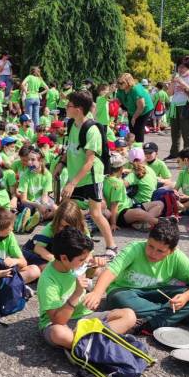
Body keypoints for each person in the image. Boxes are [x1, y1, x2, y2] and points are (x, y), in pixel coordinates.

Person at [84, 219, 189, 332]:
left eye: (160, 251)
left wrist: (185, 297)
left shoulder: (176, 257)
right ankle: (177, 316)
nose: (153, 253)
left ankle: (151, 323)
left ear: (171, 251)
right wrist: (97, 292)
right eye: (150, 246)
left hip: (157, 294)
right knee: (118, 299)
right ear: (147, 239)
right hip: (126, 291)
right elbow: (111, 271)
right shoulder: (135, 248)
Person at [37, 228, 136, 349]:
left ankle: (87, 344)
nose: (86, 261)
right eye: (81, 259)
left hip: (84, 318)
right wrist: (77, 293)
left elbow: (86, 274)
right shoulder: (48, 279)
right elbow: (58, 320)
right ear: (63, 258)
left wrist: (94, 267)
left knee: (129, 315)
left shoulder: (73, 265)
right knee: (59, 333)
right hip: (60, 323)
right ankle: (98, 342)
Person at [63, 91, 118, 258]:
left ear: (78, 109)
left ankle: (112, 246)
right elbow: (70, 148)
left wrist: (72, 183)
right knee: (68, 210)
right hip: (75, 175)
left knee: (95, 213)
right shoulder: (71, 124)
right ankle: (76, 241)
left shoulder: (92, 130)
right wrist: (60, 163)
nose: (66, 107)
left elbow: (89, 162)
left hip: (91, 177)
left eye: (69, 105)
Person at [166, 56, 189, 160]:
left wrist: (182, 83)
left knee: (186, 133)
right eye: (179, 67)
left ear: (188, 67)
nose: (180, 69)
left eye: (183, 67)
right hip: (174, 105)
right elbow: (169, 93)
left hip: (185, 106)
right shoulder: (176, 77)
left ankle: (188, 156)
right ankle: (174, 153)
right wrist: (173, 82)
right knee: (174, 132)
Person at [116, 73, 154, 144]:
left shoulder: (135, 90)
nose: (119, 84)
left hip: (144, 110)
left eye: (122, 83)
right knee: (132, 129)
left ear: (128, 82)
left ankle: (139, 149)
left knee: (138, 128)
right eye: (118, 82)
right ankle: (132, 146)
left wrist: (134, 117)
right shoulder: (120, 89)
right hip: (132, 109)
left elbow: (141, 106)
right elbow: (119, 100)